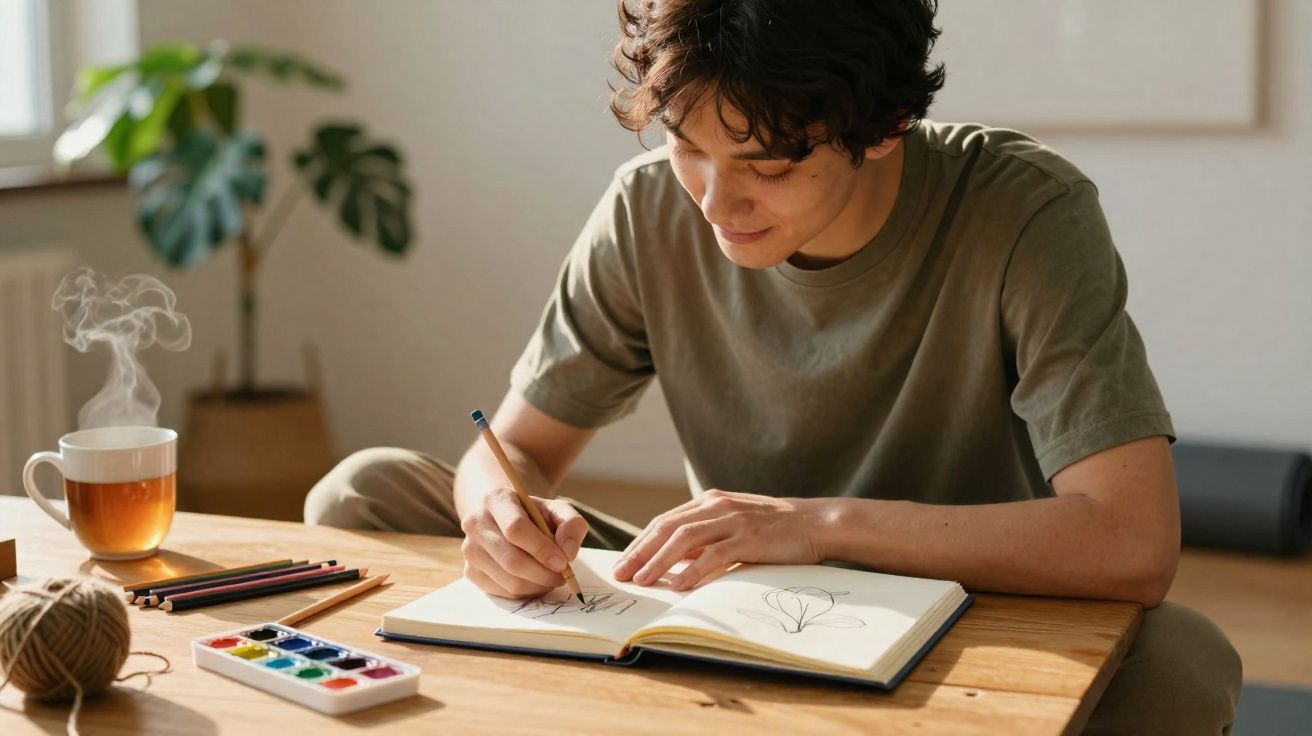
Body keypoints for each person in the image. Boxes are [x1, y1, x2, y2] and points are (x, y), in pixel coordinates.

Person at [305, 1, 1241, 732]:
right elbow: (508, 450)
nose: (717, 202)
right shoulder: (646, 211)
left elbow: (1132, 542)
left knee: (1182, 661)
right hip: (717, 599)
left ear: (886, 125)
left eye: (768, 166)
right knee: (367, 490)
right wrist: (497, 516)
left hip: (967, 606)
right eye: (686, 147)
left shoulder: (1025, 214)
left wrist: (817, 526)